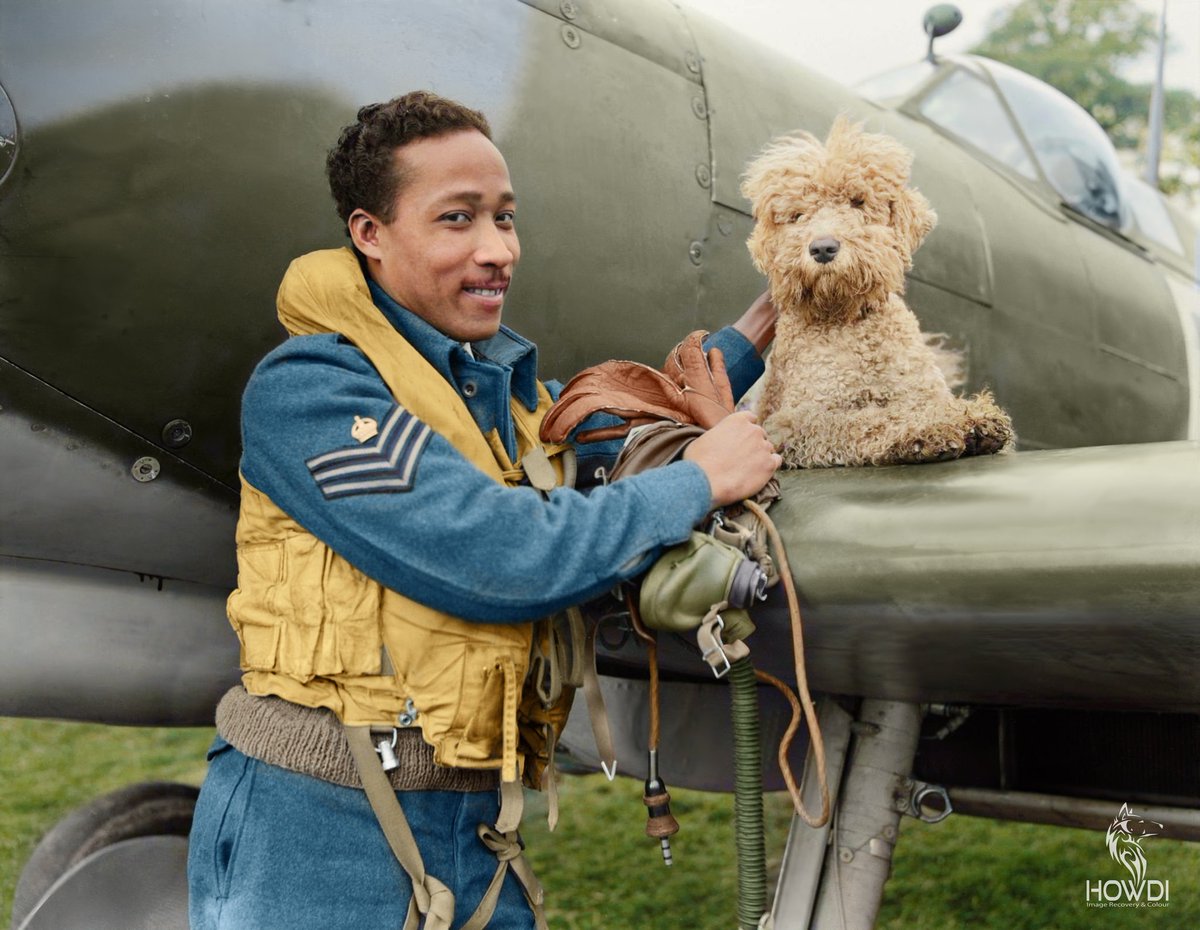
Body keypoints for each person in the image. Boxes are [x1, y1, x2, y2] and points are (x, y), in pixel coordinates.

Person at [187, 90, 780, 930]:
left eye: (504, 218)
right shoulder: (313, 392)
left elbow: (615, 434)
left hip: (473, 831)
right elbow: (492, 553)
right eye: (457, 220)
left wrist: (781, 310)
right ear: (369, 234)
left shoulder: (490, 401)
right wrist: (699, 483)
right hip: (318, 828)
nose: (497, 249)